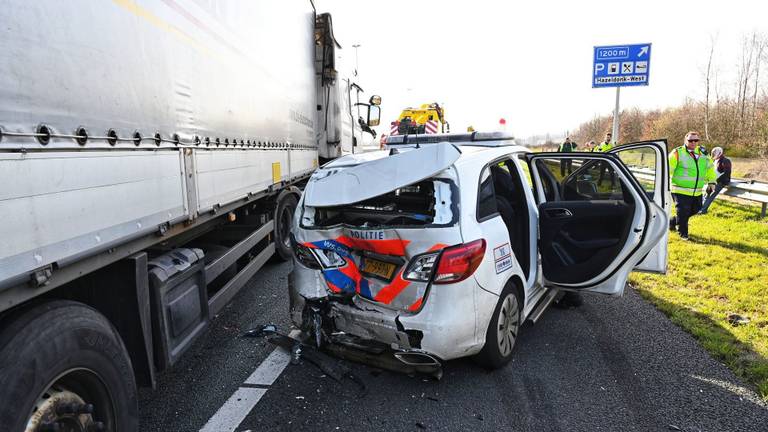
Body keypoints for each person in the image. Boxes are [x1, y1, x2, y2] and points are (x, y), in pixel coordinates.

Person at [668, 131, 717, 240]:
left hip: (697, 191)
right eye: (690, 140)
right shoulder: (677, 153)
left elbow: (710, 168)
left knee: (697, 209)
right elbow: (668, 169)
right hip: (679, 190)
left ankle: (672, 221)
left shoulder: (703, 153)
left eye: (696, 140)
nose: (693, 142)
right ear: (685, 141)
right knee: (683, 211)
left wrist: (712, 182)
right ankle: (683, 235)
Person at [699, 146, 732, 214]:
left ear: (720, 153)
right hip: (714, 181)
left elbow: (727, 173)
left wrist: (716, 181)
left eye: (715, 153)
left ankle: (703, 211)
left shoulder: (726, 160)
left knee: (710, 194)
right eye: (713, 153)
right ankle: (700, 209)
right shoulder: (715, 161)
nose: (713, 155)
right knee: (706, 194)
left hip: (721, 182)